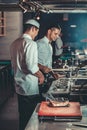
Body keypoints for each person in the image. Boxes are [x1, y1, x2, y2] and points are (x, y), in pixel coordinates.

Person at [10, 19, 44, 130]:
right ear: (34, 29)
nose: (36, 35)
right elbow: (31, 66)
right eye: (37, 32)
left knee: (23, 116)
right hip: (29, 87)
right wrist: (41, 75)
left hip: (19, 86)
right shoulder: (31, 43)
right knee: (31, 118)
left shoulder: (14, 43)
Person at [36, 25, 64, 99]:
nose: (57, 36)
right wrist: (42, 68)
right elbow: (30, 62)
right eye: (55, 34)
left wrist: (53, 74)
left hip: (46, 78)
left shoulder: (49, 45)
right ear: (49, 31)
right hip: (38, 78)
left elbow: (48, 64)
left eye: (58, 34)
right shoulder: (39, 44)